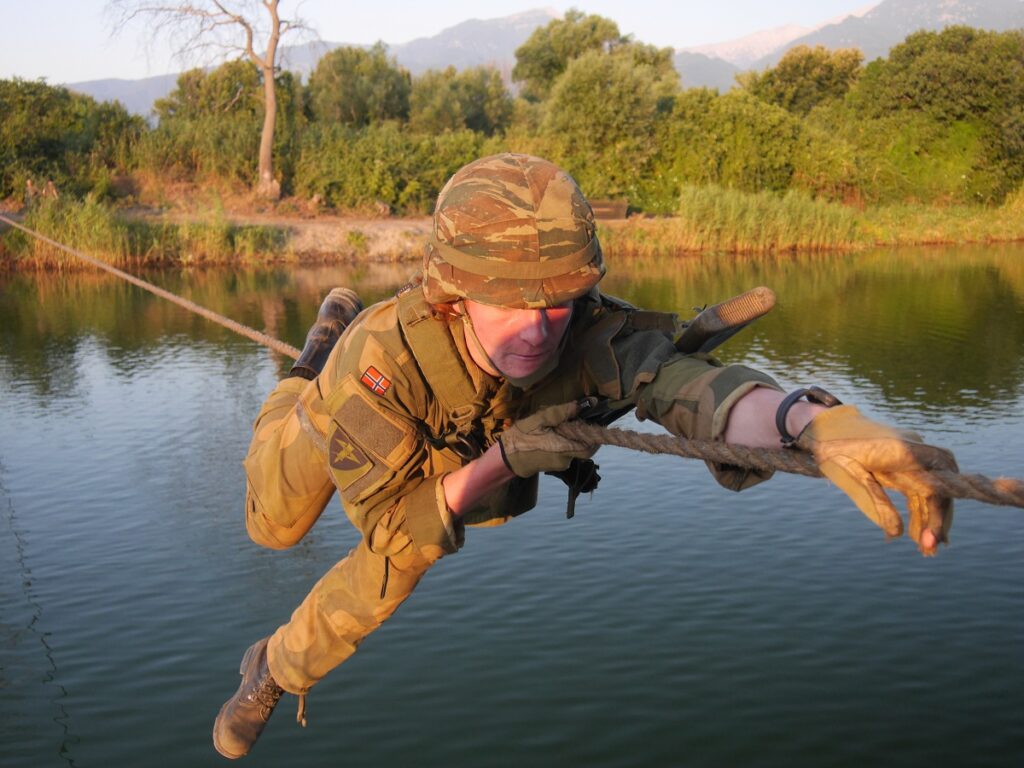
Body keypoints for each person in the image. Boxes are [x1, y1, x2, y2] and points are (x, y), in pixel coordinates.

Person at [212, 153, 957, 759]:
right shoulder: (384, 365)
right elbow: (393, 538)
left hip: (454, 451)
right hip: (337, 416)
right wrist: (504, 462)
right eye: (510, 302)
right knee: (272, 526)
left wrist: (808, 422)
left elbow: (686, 385)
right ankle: (313, 352)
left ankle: (270, 665)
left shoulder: (588, 332)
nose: (539, 329)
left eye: (559, 300)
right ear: (453, 294)